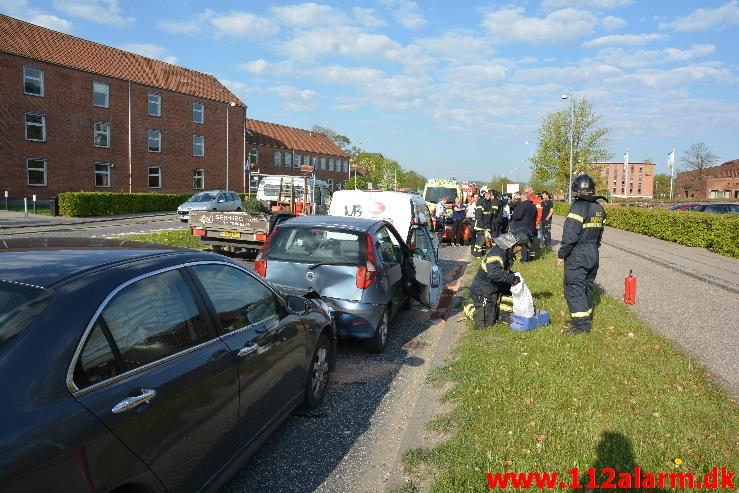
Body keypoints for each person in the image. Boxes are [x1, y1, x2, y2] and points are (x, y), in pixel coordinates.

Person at [557, 174, 607, 335]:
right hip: (593, 252)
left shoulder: (577, 207)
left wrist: (561, 254)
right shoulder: (599, 208)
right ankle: (584, 318)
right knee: (586, 286)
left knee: (574, 288)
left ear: (576, 191)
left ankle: (581, 326)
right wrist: (593, 248)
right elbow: (600, 235)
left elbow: (570, 235)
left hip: (578, 253)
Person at [463, 231, 531, 328]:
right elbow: (493, 273)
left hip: (493, 286)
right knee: (485, 325)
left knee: (512, 287)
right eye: (521, 246)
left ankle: (503, 315)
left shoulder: (507, 252)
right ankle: (468, 305)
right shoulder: (498, 253)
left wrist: (513, 277)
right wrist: (512, 278)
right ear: (515, 244)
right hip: (483, 290)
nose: (521, 250)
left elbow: (501, 271)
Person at [509, 191, 537, 262]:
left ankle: (521, 259)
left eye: (521, 197)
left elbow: (518, 216)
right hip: (530, 227)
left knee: (522, 244)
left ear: (524, 197)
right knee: (527, 244)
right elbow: (534, 217)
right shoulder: (533, 206)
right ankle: (526, 259)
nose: (520, 199)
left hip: (521, 227)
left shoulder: (521, 205)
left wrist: (513, 215)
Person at [473, 187, 493, 257]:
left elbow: (489, 214)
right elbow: (479, 216)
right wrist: (483, 226)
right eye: (489, 194)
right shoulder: (481, 202)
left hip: (486, 225)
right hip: (481, 226)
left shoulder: (487, 202)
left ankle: (483, 254)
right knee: (480, 241)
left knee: (485, 241)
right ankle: (477, 255)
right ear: (485, 194)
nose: (490, 196)